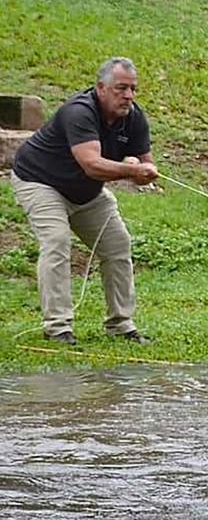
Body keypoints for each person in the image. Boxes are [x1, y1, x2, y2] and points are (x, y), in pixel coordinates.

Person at [10, 57, 159, 346]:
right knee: (56, 241)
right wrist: (131, 169)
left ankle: (121, 325)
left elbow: (146, 168)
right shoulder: (78, 112)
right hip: (41, 182)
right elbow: (92, 165)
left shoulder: (134, 117)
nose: (128, 95)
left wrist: (143, 171)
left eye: (132, 89)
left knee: (118, 245)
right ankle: (57, 327)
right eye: (120, 88)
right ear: (101, 88)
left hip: (86, 192)